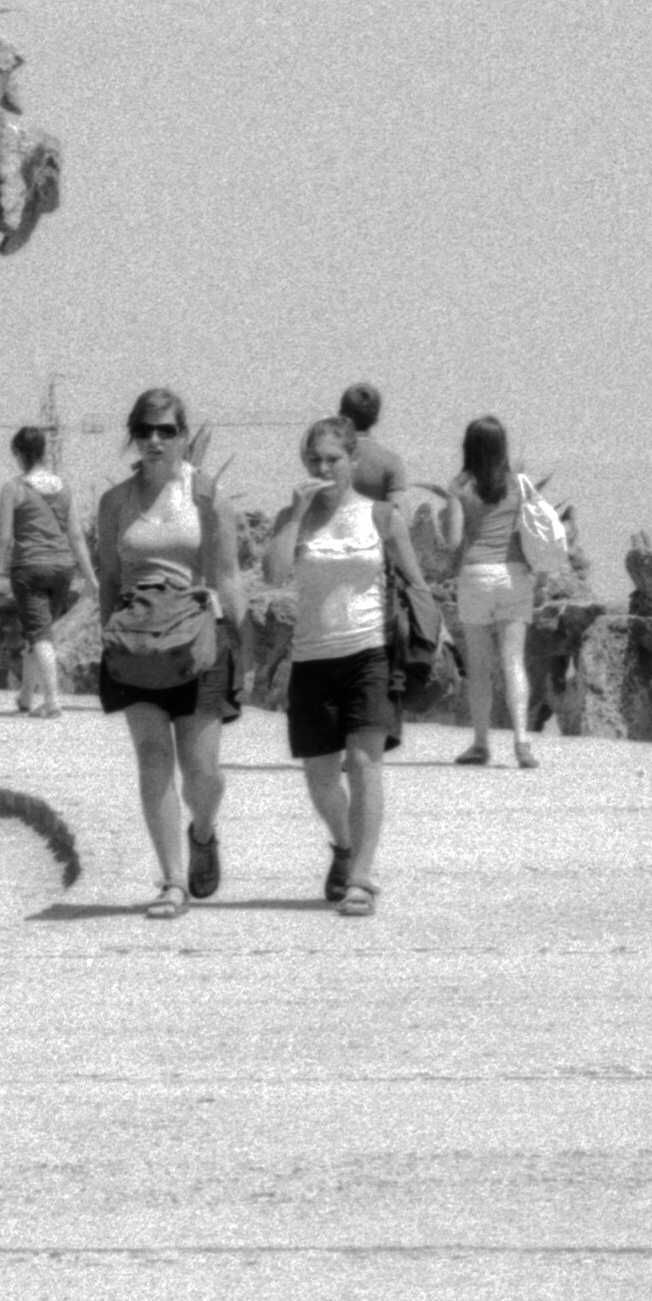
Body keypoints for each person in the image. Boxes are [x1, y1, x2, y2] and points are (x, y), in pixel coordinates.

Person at [86, 388, 242, 917]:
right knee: (153, 757)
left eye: (168, 430)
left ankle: (203, 831)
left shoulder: (206, 497)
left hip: (197, 641)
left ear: (181, 436)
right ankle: (173, 881)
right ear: (134, 434)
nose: (156, 440)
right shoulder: (115, 503)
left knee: (203, 772)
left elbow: (227, 573)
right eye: (146, 430)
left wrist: (237, 635)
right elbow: (108, 578)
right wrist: (109, 638)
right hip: (136, 642)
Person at [279, 417, 401, 917]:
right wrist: (295, 512)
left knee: (366, 762)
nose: (324, 468)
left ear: (353, 460)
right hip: (312, 659)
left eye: (333, 459)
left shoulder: (380, 516)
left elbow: (412, 577)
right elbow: (270, 570)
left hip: (368, 653)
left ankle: (361, 879)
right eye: (315, 460)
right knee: (321, 778)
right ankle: (345, 844)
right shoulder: (298, 516)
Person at [438, 415, 546, 769]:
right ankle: (522, 742)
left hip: (475, 575)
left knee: (480, 665)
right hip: (514, 575)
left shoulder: (459, 486)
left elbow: (453, 541)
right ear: (503, 446)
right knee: (514, 661)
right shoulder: (517, 485)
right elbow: (532, 530)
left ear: (468, 446)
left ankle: (481, 743)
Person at [0, 425, 82, 718]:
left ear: (17, 453)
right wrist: (90, 576)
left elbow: (4, 537)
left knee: (40, 634)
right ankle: (24, 697)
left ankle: (53, 701)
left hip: (29, 566)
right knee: (39, 631)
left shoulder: (13, 488)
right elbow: (76, 536)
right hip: (62, 567)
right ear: (44, 451)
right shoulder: (63, 487)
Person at [335, 379, 406, 502]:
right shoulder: (391, 461)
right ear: (376, 420)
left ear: (341, 415)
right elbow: (399, 513)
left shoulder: (325, 459)